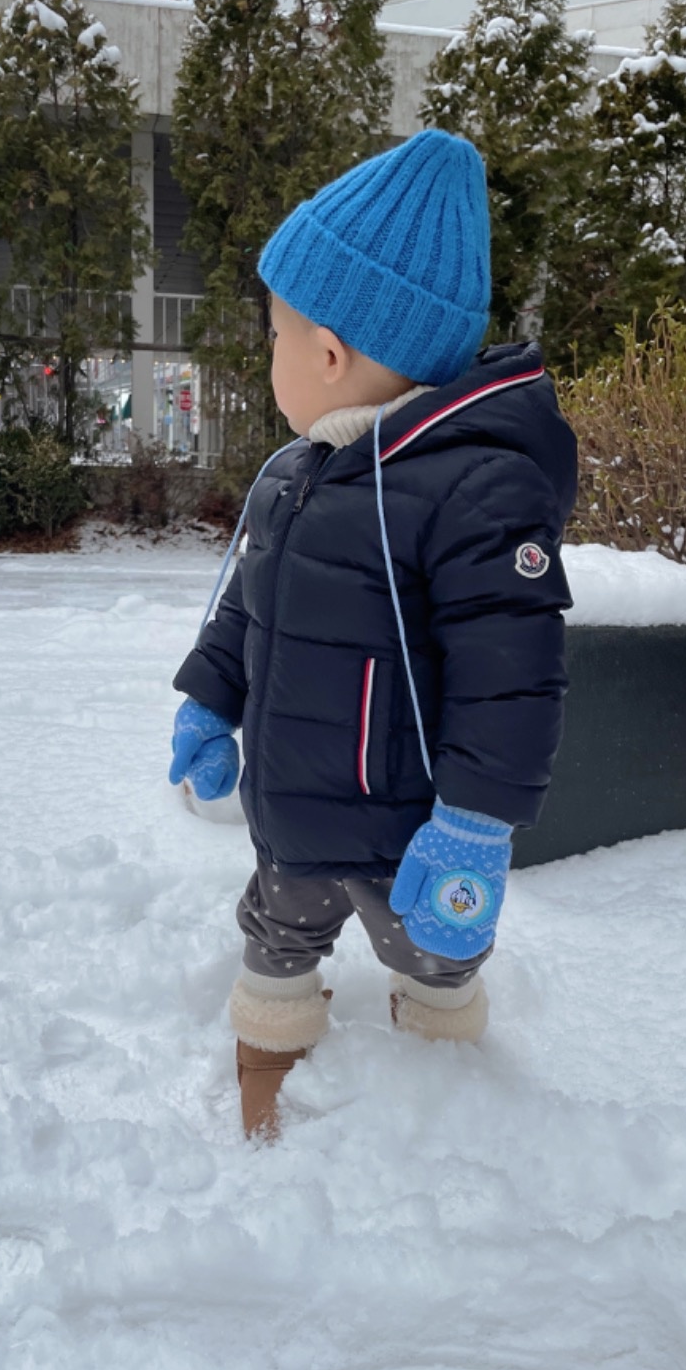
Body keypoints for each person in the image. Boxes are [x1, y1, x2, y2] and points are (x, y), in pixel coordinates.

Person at [169, 129, 577, 1140]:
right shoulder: (293, 475)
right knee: (274, 937)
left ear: (331, 352)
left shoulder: (476, 490)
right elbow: (245, 607)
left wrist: (478, 822)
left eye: (275, 336)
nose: (270, 358)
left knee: (438, 956)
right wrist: (210, 698)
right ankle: (268, 1059)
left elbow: (511, 675)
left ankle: (446, 1096)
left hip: (413, 830)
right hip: (294, 810)